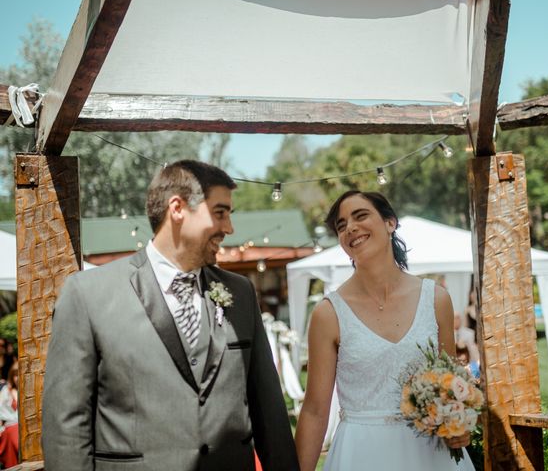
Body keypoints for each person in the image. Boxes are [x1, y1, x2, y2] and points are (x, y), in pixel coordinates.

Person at [43, 160, 299, 471]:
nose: (229, 228)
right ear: (177, 208)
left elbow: (268, 411)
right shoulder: (88, 294)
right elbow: (66, 425)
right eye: (220, 213)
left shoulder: (241, 293)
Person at [295, 190, 475, 471]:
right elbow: (315, 411)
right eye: (341, 226)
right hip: (360, 454)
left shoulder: (436, 299)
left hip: (430, 456)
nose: (350, 228)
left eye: (360, 215)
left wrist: (459, 423)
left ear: (390, 223)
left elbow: (448, 389)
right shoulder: (328, 314)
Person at [454, 313, 481, 379]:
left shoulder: (470, 333)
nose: (455, 321)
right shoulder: (449, 336)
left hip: (470, 363)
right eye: (454, 319)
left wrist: (474, 365)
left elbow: (473, 350)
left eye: (457, 318)